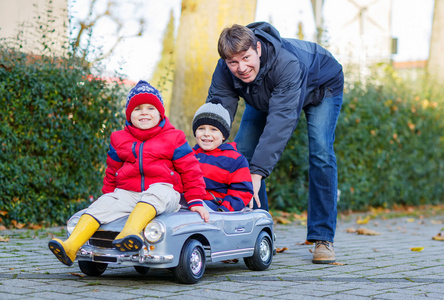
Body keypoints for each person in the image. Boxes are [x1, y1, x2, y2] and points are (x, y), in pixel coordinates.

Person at [206, 22, 344, 264]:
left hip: (322, 86)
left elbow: (280, 122)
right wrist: (204, 154)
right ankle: (260, 234)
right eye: (233, 62)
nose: (241, 68)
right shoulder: (225, 69)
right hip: (267, 95)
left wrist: (258, 172)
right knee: (241, 156)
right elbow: (217, 116)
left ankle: (323, 238)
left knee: (320, 152)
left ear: (258, 48)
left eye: (246, 58)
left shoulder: (287, 63)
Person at [48, 80, 209, 267]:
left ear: (160, 114)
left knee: (159, 190)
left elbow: (190, 170)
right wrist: (108, 196)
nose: (144, 113)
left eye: (150, 108)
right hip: (129, 193)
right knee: (102, 204)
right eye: (138, 109)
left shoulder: (174, 137)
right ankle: (71, 246)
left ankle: (129, 233)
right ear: (129, 115)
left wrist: (196, 201)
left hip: (165, 194)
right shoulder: (119, 139)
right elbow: (112, 170)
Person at [192, 98, 253, 212]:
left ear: (223, 135)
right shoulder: (189, 155)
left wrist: (224, 210)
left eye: (213, 129)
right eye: (201, 128)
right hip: (188, 202)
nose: (206, 134)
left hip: (213, 207)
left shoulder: (235, 160)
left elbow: (242, 190)